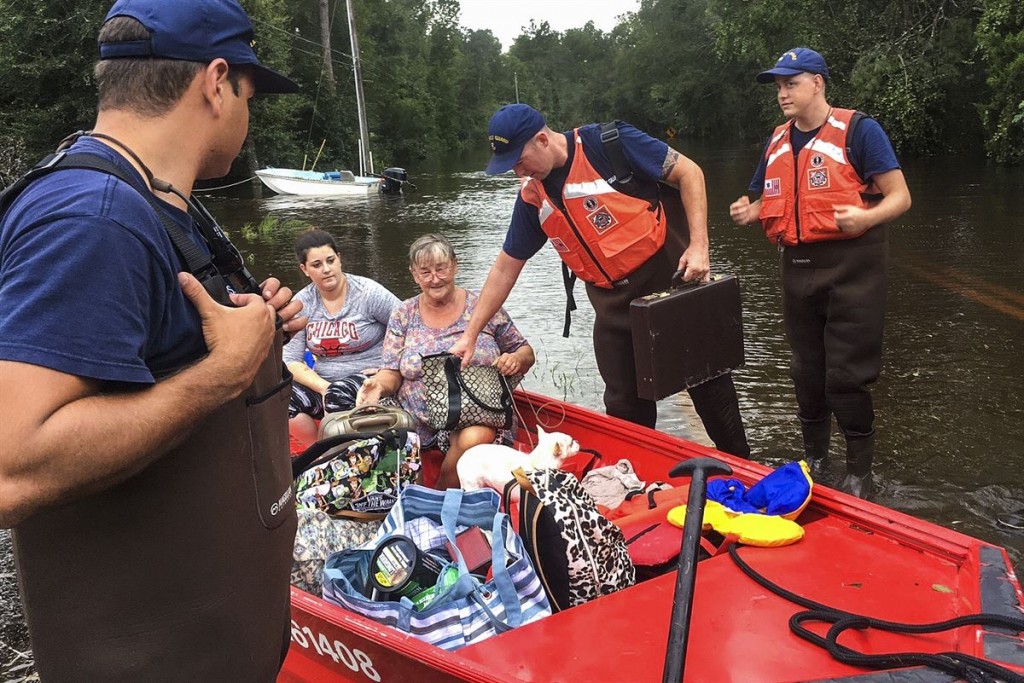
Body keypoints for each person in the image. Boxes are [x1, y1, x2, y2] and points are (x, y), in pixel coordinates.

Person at [0, 0, 307, 680]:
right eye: (249, 94)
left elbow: (153, 348)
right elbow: (10, 466)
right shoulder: (92, 218)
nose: (247, 112)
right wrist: (220, 374)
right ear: (216, 81)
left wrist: (255, 328)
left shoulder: (160, 197)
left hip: (216, 647)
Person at [450, 104, 750, 457]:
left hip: (671, 285)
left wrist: (700, 246)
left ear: (543, 140)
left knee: (709, 386)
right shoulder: (533, 197)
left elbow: (690, 173)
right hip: (613, 305)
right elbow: (505, 268)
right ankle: (637, 481)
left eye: (519, 159)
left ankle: (744, 467)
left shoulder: (609, 144)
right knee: (624, 405)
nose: (517, 171)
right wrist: (470, 335)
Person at [729, 47, 912, 498]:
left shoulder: (859, 131)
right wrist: (749, 211)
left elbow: (900, 196)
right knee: (806, 372)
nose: (782, 94)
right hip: (797, 269)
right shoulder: (776, 140)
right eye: (778, 86)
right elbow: (767, 199)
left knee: (846, 377)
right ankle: (814, 458)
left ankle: (859, 472)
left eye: (790, 83)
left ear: (818, 83)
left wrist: (868, 218)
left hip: (854, 269)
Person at [358, 234, 536, 489]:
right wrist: (378, 385)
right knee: (382, 432)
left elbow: (525, 351)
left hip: (477, 412)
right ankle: (412, 489)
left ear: (455, 265)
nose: (435, 278)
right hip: (419, 418)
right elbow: (392, 372)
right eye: (425, 272)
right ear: (414, 275)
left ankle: (440, 489)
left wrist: (515, 359)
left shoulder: (484, 306)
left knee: (478, 434)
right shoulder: (403, 314)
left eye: (441, 269)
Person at [284, 228, 399, 444]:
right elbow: (289, 360)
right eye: (317, 265)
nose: (326, 269)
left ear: (340, 260)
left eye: (330, 260)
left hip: (367, 381)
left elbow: (406, 325)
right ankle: (317, 454)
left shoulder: (368, 293)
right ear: (305, 269)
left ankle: (339, 457)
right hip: (324, 383)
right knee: (281, 400)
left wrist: (389, 368)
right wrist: (323, 387)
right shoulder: (302, 303)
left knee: (337, 395)